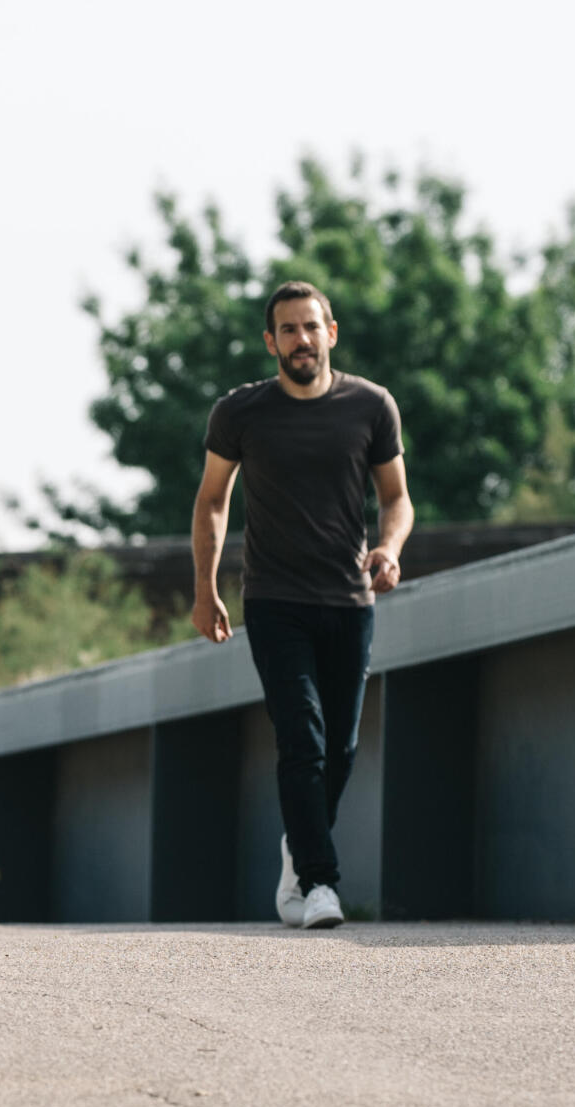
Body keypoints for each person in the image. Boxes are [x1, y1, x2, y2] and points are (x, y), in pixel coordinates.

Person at [191, 281, 413, 930]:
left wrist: (391, 547)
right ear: (271, 342)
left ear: (331, 333)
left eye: (310, 327)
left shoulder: (370, 406)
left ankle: (299, 844)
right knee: (303, 742)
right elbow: (211, 499)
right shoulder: (241, 413)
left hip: (349, 600)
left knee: (340, 748)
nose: (300, 340)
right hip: (274, 599)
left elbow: (396, 497)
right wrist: (205, 589)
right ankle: (319, 883)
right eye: (287, 330)